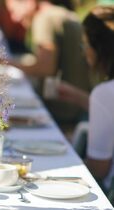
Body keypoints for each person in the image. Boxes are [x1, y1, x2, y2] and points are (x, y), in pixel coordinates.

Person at [4, 0, 90, 125]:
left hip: (62, 112)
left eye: (13, 10)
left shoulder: (44, 19)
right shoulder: (60, 12)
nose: (14, 17)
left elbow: (45, 68)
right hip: (79, 108)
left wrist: (8, 63)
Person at [58, 6, 114, 192]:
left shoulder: (104, 93)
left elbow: (99, 168)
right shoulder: (104, 95)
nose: (84, 53)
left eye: (85, 45)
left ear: (99, 48)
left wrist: (62, 165)